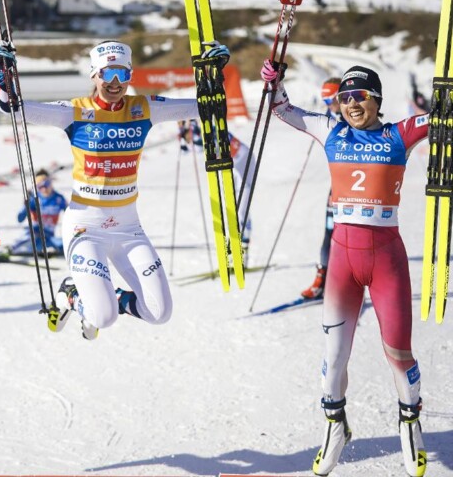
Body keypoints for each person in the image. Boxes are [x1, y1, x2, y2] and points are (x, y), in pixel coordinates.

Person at [0, 39, 228, 339]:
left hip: (129, 229)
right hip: (85, 228)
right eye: (107, 74)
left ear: (130, 75)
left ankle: (108, 298)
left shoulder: (145, 108)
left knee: (159, 312)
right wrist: (6, 73)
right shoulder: (74, 111)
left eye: (122, 74)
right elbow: (13, 110)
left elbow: (207, 108)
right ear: (94, 74)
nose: (115, 82)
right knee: (104, 318)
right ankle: (72, 294)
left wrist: (214, 75)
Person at [261, 60, 427, 476]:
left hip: (386, 258)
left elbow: (442, 117)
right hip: (342, 262)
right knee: (333, 360)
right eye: (345, 97)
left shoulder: (397, 133)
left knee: (399, 353)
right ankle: (336, 426)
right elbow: (282, 110)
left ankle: (410, 424)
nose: (352, 104)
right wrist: (274, 82)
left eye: (361, 96)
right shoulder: (330, 130)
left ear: (377, 100)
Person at [177, 119, 255, 256]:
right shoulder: (194, 131)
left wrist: (185, 129)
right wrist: (181, 131)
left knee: (241, 207)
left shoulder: (200, 129)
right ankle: (239, 244)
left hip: (243, 161)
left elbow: (196, 147)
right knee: (233, 207)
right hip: (232, 165)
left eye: (187, 135)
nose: (187, 138)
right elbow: (185, 150)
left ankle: (243, 244)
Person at [300, 77, 340, 300]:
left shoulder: (355, 115)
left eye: (330, 99)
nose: (328, 104)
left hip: (359, 191)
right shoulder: (330, 117)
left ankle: (349, 284)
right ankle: (322, 279)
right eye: (324, 99)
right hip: (337, 188)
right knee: (328, 233)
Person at [8, 168, 68, 256]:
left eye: (46, 184)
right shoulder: (34, 198)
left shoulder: (59, 199)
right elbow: (20, 219)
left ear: (51, 183)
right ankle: (11, 250)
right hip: (33, 233)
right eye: (40, 186)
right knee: (28, 238)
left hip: (48, 236)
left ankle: (48, 250)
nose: (44, 189)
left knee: (63, 245)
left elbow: (70, 216)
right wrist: (26, 203)